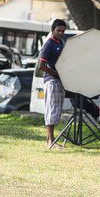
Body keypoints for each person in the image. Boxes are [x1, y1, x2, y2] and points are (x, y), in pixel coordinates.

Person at [38, 19, 68, 148]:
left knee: (56, 111)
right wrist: (56, 74)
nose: (61, 33)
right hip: (51, 80)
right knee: (51, 110)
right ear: (53, 30)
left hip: (60, 81)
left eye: (63, 31)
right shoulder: (49, 44)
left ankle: (49, 141)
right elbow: (41, 65)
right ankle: (51, 141)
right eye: (58, 30)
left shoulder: (61, 42)